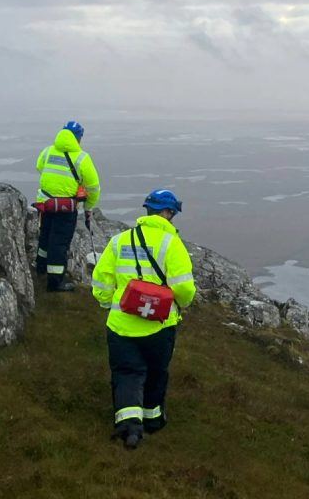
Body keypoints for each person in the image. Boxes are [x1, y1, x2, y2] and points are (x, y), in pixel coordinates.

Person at [91, 189, 197, 449]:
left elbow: (101, 281)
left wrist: (108, 303)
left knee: (127, 372)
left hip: (120, 325)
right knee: (156, 373)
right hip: (160, 326)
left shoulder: (119, 241)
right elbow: (184, 289)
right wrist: (180, 306)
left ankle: (129, 427)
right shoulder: (172, 244)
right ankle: (153, 420)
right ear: (167, 213)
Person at [34, 120, 102, 292]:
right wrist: (88, 207)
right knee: (59, 242)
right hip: (66, 208)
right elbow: (93, 187)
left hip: (46, 204)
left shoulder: (48, 151)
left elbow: (39, 167)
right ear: (78, 138)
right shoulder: (82, 158)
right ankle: (55, 281)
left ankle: (40, 268)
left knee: (45, 236)